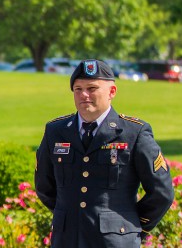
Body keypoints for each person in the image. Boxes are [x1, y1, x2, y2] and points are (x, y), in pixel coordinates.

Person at [35, 59, 174, 247]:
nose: (84, 95)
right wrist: (70, 216)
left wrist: (129, 225)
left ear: (112, 92)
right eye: (78, 89)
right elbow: (45, 186)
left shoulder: (133, 133)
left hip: (115, 242)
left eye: (92, 88)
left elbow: (161, 192)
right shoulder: (56, 131)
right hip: (67, 240)